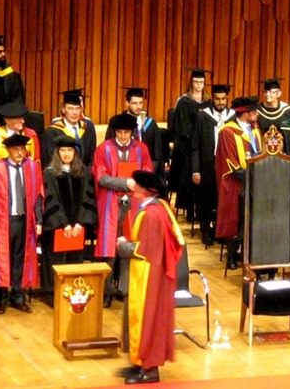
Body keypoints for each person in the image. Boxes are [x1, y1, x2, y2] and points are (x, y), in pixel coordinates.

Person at [116, 170, 184, 386]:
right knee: (139, 319)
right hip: (146, 273)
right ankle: (139, 362)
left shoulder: (152, 215)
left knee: (149, 320)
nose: (132, 187)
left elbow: (144, 249)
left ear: (146, 190)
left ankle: (149, 369)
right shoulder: (157, 208)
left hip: (150, 277)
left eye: (136, 184)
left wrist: (122, 245)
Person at [95, 112, 153, 306]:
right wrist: (126, 183)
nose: (122, 136)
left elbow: (148, 174)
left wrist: (133, 185)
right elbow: (101, 177)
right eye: (119, 132)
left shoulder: (141, 149)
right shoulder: (104, 149)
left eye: (126, 132)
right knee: (109, 250)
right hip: (111, 204)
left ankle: (126, 290)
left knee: (130, 247)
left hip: (134, 205)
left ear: (132, 132)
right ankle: (107, 291)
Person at [0, 133, 43, 314]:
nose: (20, 153)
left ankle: (18, 296)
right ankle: (1, 297)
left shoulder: (32, 167)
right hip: (2, 221)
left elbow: (38, 196)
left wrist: (39, 220)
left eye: (22, 149)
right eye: (16, 149)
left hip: (25, 220)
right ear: (8, 150)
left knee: (21, 258)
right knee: (2, 259)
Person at [40, 136, 96, 301]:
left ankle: (74, 292)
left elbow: (88, 197)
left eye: (70, 150)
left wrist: (80, 222)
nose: (66, 154)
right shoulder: (49, 172)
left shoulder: (84, 172)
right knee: (56, 260)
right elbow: (51, 200)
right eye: (62, 150)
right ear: (57, 152)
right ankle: (53, 294)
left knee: (75, 259)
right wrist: (63, 224)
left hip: (77, 228)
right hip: (57, 227)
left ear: (75, 153)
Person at [215, 96, 262, 270]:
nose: (257, 114)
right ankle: (232, 256)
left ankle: (249, 254)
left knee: (251, 219)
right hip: (235, 182)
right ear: (245, 113)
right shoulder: (227, 132)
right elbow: (230, 161)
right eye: (254, 111)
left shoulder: (254, 128)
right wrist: (249, 176)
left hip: (255, 182)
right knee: (235, 219)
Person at [190, 83, 235, 246]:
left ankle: (219, 230)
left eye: (223, 99)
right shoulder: (203, 116)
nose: (221, 102)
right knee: (205, 198)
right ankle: (205, 230)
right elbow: (194, 145)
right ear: (212, 99)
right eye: (217, 99)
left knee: (222, 199)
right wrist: (195, 170)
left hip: (226, 165)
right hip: (207, 164)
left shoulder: (233, 116)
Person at [168, 68, 209, 221]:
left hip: (203, 147)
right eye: (196, 82)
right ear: (191, 82)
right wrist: (192, 141)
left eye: (201, 82)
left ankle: (202, 210)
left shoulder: (208, 102)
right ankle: (190, 211)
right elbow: (181, 126)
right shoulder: (184, 101)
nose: (199, 85)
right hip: (187, 147)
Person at [107, 87, 166, 171]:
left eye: (141, 103)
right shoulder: (117, 123)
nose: (138, 107)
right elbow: (109, 149)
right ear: (127, 103)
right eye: (134, 103)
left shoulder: (150, 124)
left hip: (146, 170)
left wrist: (149, 171)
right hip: (122, 169)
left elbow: (157, 154)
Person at [43, 88, 97, 167]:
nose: (74, 112)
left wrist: (86, 176)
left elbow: (92, 159)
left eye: (77, 108)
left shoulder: (88, 129)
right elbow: (49, 161)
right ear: (63, 109)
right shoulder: (52, 132)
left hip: (85, 176)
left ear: (81, 110)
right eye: (70, 108)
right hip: (60, 176)